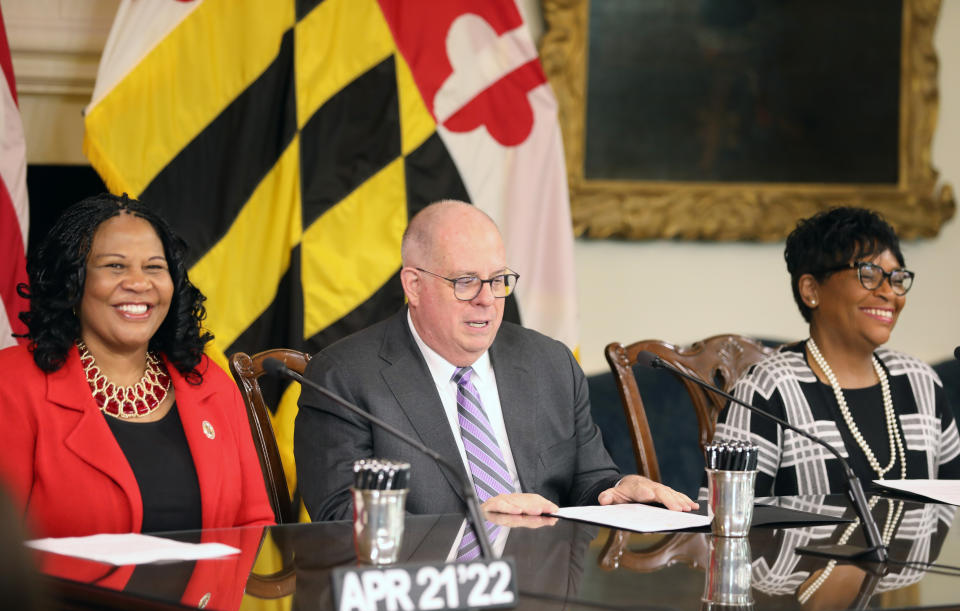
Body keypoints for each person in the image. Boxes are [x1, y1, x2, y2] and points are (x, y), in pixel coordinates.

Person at [295, 199, 696, 521]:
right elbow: (339, 518)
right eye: (466, 282)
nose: (487, 299)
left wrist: (617, 490)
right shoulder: (344, 378)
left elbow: (588, 480)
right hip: (419, 604)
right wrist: (471, 522)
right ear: (414, 286)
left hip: (536, 594)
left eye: (498, 280)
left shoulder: (549, 363)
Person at [0, 193, 274, 538]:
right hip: (68, 594)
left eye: (154, 267)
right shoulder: (12, 384)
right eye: (115, 266)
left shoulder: (210, 384)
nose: (139, 283)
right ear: (74, 280)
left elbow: (254, 527)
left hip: (207, 593)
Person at [714, 207, 960, 496]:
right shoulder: (769, 389)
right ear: (811, 290)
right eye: (869, 274)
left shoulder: (921, 383)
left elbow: (954, 504)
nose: (889, 293)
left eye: (896, 279)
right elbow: (724, 518)